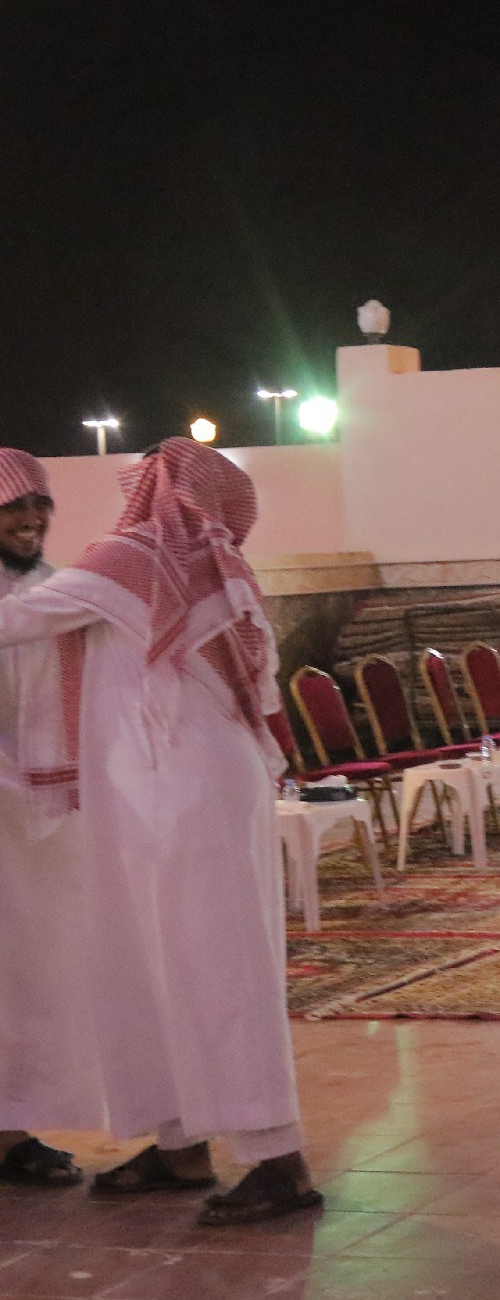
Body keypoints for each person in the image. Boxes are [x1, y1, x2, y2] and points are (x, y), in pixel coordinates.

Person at [0, 440, 315, 1221]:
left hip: (178, 794)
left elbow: (16, 619)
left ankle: (278, 1161)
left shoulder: (134, 556)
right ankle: (180, 1146)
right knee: (161, 972)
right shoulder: (214, 569)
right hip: (181, 789)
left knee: (218, 972)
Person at [0, 449, 84, 1190]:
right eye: (13, 508)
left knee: (28, 976)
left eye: (39, 505)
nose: (30, 520)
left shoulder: (55, 591)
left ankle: (12, 1131)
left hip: (35, 818)